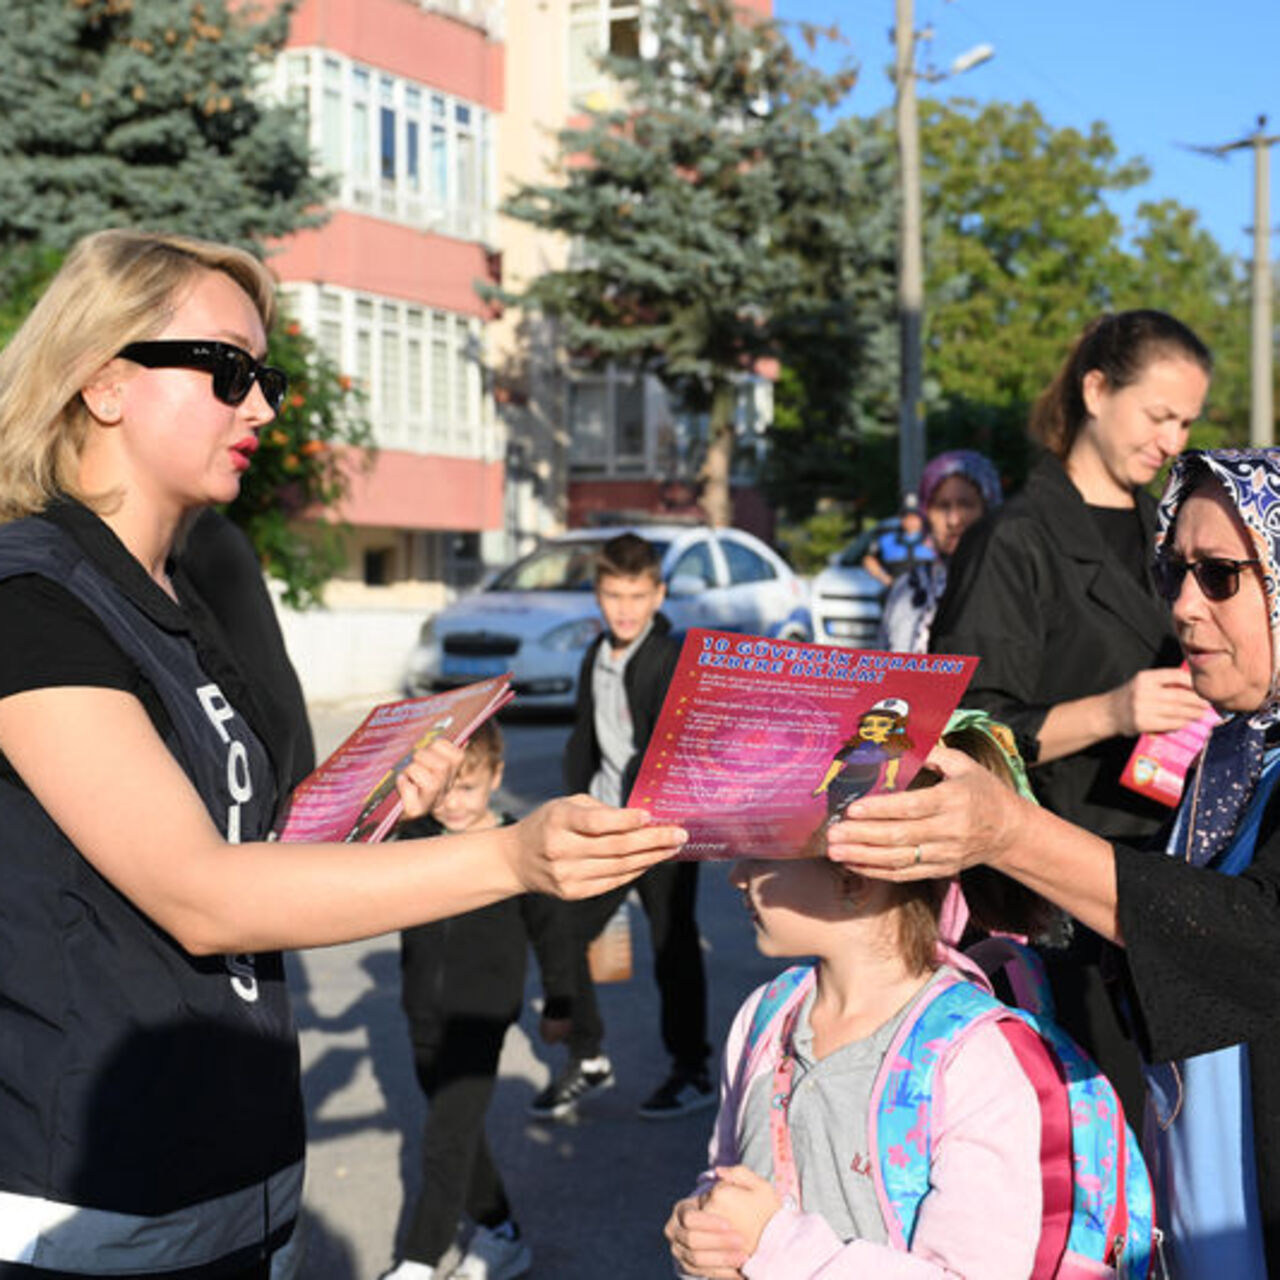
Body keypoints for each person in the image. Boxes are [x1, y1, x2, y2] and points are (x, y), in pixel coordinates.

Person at [0, 228, 686, 1280]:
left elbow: (248, 835)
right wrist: (509, 857)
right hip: (91, 1203)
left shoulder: (178, 588)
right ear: (102, 381)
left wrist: (372, 804)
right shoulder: (31, 598)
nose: (262, 408)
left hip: (239, 1172)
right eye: (228, 369)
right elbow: (199, 891)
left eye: (264, 376)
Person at [830, 447, 1280, 1278]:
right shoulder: (1233, 753)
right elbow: (1165, 922)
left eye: (1220, 576)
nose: (1183, 607)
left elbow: (1251, 940)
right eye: (1172, 570)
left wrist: (1012, 834)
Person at [666, 715, 1091, 1279]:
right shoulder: (767, 1016)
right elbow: (729, 1173)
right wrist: (706, 1230)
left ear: (854, 878)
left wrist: (771, 1244)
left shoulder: (973, 1058)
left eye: (763, 853)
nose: (737, 876)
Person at [928, 309, 1213, 1117]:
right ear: (1096, 390)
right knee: (1097, 1131)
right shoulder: (1015, 540)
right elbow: (965, 732)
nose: (1171, 440)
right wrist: (1114, 710)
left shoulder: (1168, 527)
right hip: (1061, 892)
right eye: (1159, 416)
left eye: (1187, 422)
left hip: (1171, 869)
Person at [383, 720, 571, 1280]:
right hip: (421, 1014)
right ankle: (501, 1233)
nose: (452, 804)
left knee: (444, 1139)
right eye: (442, 791)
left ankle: (418, 1259)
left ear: (497, 777)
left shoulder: (515, 849)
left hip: (480, 1017)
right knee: (460, 1136)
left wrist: (563, 1003)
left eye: (465, 788)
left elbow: (553, 934)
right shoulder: (416, 839)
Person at [535, 532, 712, 1120]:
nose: (626, 609)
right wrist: (575, 801)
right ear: (597, 594)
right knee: (560, 927)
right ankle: (587, 1058)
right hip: (604, 826)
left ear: (659, 594)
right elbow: (584, 737)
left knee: (672, 949)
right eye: (614, 595)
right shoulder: (595, 655)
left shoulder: (668, 658)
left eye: (638, 595)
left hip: (658, 831)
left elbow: (666, 745)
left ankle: (692, 1069)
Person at [876, 450, 1001, 653]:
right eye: (942, 506)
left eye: (966, 505)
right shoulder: (908, 588)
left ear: (988, 510)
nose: (953, 520)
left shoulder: (1011, 587)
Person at [861, 492, 934, 589]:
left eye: (915, 516)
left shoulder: (934, 540)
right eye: (906, 516)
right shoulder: (887, 539)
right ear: (901, 518)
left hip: (926, 594)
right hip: (896, 594)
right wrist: (885, 578)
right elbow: (868, 560)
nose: (911, 520)